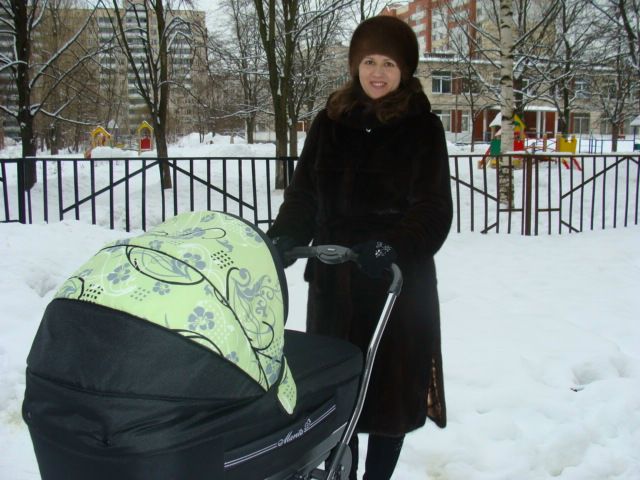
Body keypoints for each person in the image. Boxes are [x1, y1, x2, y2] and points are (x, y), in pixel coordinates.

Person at [267, 15, 452, 480]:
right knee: (335, 393)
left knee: (390, 395)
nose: (378, 72)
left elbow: (433, 210)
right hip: (335, 282)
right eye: (369, 61)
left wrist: (391, 248)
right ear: (354, 65)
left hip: (395, 284)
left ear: (404, 69)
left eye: (389, 63)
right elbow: (304, 195)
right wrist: (285, 237)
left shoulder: (422, 128)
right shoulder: (330, 123)